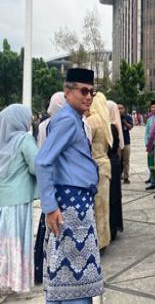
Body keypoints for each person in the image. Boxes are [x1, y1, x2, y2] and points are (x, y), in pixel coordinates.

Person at [35, 68, 103, 304]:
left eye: (92, 92)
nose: (88, 96)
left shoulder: (73, 119)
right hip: (71, 207)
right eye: (83, 91)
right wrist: (50, 207)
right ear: (68, 92)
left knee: (69, 271)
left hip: (76, 204)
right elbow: (43, 161)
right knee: (75, 274)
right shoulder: (66, 119)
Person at [0, 104, 39, 294]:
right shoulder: (24, 139)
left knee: (4, 244)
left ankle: (3, 279)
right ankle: (16, 282)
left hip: (3, 201)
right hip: (18, 200)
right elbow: (36, 165)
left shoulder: (2, 141)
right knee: (17, 243)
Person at [35, 92, 67, 285]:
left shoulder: (43, 126)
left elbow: (41, 154)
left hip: (52, 182)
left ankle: (46, 266)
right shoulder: (81, 124)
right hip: (69, 185)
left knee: (50, 229)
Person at [87, 92, 113, 250]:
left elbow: (84, 144)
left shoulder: (92, 121)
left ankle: (97, 242)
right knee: (103, 207)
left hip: (94, 166)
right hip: (105, 165)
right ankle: (103, 240)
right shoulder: (105, 122)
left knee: (96, 207)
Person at [107, 101, 124, 241]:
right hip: (115, 163)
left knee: (110, 196)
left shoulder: (107, 127)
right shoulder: (114, 127)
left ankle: (111, 227)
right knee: (115, 196)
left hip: (108, 164)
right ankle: (114, 226)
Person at [144, 100, 155, 191]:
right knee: (150, 164)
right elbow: (146, 133)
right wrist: (147, 144)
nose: (153, 109)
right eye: (152, 107)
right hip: (150, 145)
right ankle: (153, 182)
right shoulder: (149, 120)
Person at [118, 104, 133, 184]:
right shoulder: (113, 117)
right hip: (117, 144)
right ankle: (118, 176)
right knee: (117, 161)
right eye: (118, 108)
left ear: (124, 109)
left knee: (126, 161)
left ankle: (126, 177)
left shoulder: (128, 117)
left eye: (121, 108)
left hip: (126, 142)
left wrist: (125, 123)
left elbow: (130, 127)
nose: (120, 110)